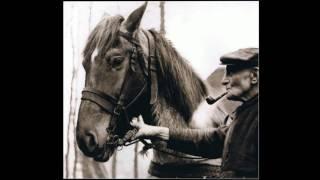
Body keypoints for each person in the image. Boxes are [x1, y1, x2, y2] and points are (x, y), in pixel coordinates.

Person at [130, 48, 259, 178]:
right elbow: (212, 141)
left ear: (254, 76)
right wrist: (157, 132)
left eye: (231, 72)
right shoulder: (245, 114)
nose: (224, 81)